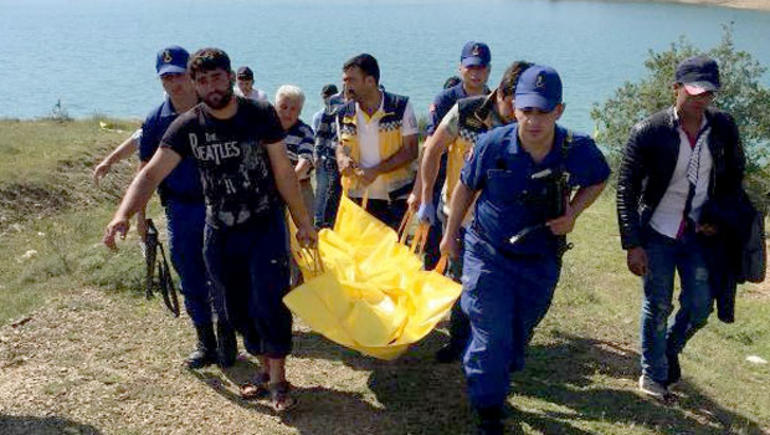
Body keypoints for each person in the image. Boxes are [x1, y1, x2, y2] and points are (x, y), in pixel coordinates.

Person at [103, 47, 317, 412]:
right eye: (202, 80)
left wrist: (302, 223)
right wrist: (123, 214)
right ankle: (264, 371)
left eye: (217, 77)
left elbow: (283, 171)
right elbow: (152, 173)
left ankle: (279, 380)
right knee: (236, 306)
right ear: (196, 85)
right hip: (220, 228)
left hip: (263, 222)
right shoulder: (187, 126)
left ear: (231, 78)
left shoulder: (259, 115)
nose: (211, 86)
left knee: (268, 298)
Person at [440, 65, 610, 433]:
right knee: (492, 332)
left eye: (543, 111)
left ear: (559, 111)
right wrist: (450, 233)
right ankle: (488, 409)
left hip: (540, 259)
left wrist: (573, 213)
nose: (534, 121)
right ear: (515, 107)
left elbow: (599, 177)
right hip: (488, 252)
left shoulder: (575, 149)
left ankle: (497, 364)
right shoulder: (492, 144)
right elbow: (465, 188)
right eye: (527, 110)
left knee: (518, 331)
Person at [98, 46, 238, 370]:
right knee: (188, 272)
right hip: (179, 207)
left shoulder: (217, 110)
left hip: (218, 207)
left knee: (221, 273)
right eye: (166, 77)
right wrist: (139, 219)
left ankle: (227, 335)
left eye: (178, 75)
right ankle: (205, 341)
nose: (173, 83)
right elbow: (145, 171)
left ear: (191, 76)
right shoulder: (155, 120)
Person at [616, 56, 745, 399]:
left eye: (708, 93)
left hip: (700, 236)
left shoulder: (723, 128)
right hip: (658, 230)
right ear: (675, 89)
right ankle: (653, 373)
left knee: (701, 306)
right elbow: (626, 188)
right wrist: (632, 243)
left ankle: (668, 350)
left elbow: (733, 181)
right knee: (657, 304)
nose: (700, 99)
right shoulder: (649, 131)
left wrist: (716, 218)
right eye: (694, 91)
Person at [416, 61, 532, 364]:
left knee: (495, 284)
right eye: (519, 106)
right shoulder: (466, 111)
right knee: (459, 281)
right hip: (457, 215)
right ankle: (459, 342)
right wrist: (426, 197)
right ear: (503, 94)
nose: (525, 115)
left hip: (502, 221)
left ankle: (492, 344)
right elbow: (432, 150)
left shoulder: (527, 123)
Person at [412, 41, 493, 272]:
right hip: (441, 176)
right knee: (435, 244)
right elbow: (430, 148)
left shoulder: (495, 103)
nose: (475, 74)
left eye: (481, 68)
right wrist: (422, 195)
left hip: (476, 185)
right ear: (461, 68)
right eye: (470, 68)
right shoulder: (446, 100)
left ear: (488, 70)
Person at [336, 53, 418, 230]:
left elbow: (411, 150)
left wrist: (376, 170)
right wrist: (341, 158)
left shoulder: (400, 107)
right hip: (356, 196)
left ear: (370, 81)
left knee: (392, 254)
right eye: (344, 80)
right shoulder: (344, 112)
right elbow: (339, 144)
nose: (346, 86)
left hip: (394, 198)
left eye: (351, 81)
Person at [275, 85, 315, 214]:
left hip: (299, 186)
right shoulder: (266, 128)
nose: (287, 113)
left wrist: (285, 184)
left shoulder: (305, 132)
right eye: (283, 107)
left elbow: (304, 162)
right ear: (275, 106)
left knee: (306, 229)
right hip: (270, 189)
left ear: (300, 112)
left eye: (293, 109)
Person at [313, 86, 347, 229]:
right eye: (345, 79)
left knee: (349, 195)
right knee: (332, 192)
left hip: (354, 158)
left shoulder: (363, 99)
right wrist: (317, 152)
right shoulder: (333, 101)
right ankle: (327, 226)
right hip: (332, 156)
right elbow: (323, 129)